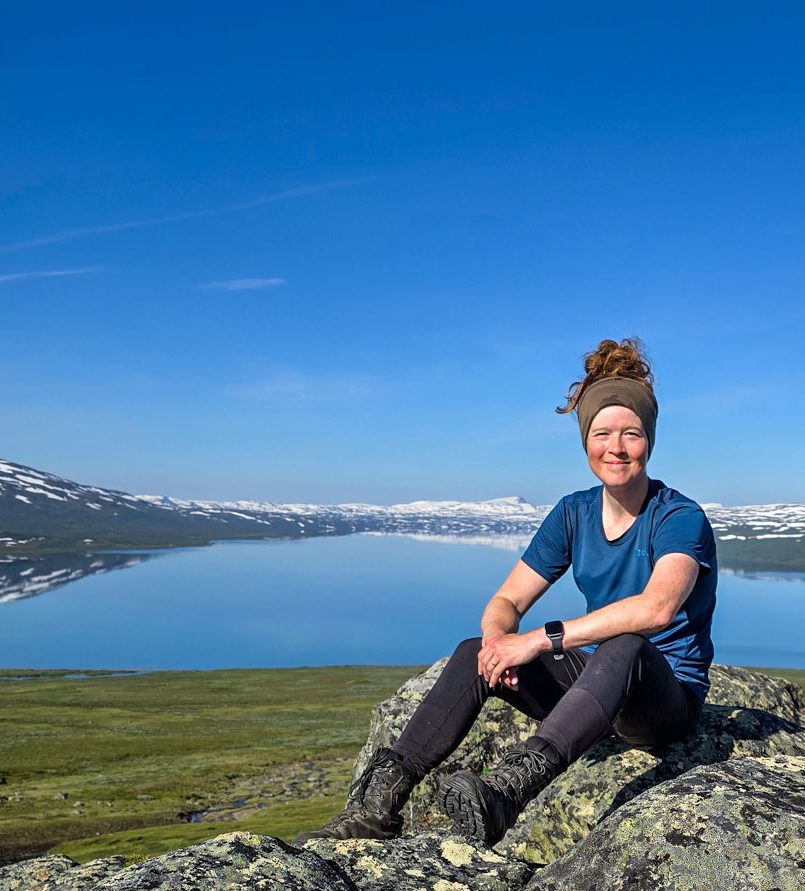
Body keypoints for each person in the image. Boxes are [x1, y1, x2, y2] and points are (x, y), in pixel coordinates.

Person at [295, 338, 717, 848]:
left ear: (649, 440)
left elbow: (657, 609)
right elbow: (507, 602)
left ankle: (508, 793)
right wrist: (499, 644)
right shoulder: (574, 513)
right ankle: (375, 808)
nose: (616, 447)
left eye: (631, 433)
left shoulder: (679, 517)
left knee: (625, 646)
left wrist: (536, 641)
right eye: (602, 433)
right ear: (585, 441)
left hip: (662, 700)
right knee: (476, 650)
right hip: (599, 692)